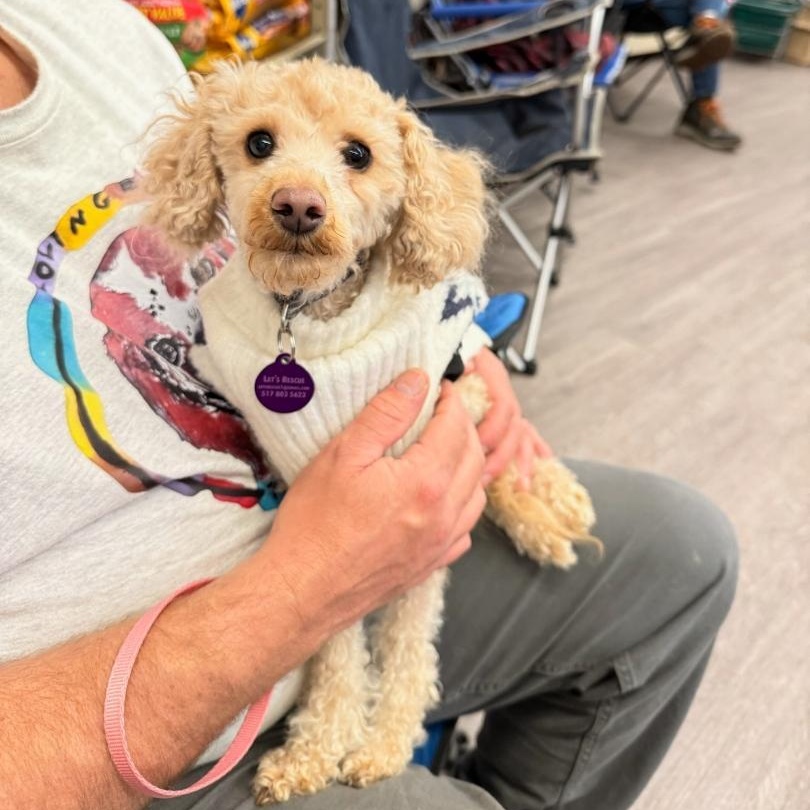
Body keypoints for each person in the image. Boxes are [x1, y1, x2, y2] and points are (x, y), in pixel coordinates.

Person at [0, 2, 738, 809]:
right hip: (130, 729)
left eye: (353, 157)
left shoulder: (88, 21)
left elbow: (425, 266)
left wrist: (466, 354)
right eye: (261, 147)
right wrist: (309, 585)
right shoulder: (226, 303)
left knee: (684, 552)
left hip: (344, 504)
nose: (300, 195)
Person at [622, 0, 743, 150]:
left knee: (713, 17)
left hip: (665, 11)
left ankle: (705, 29)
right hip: (625, 11)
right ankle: (705, 30)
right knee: (714, 17)